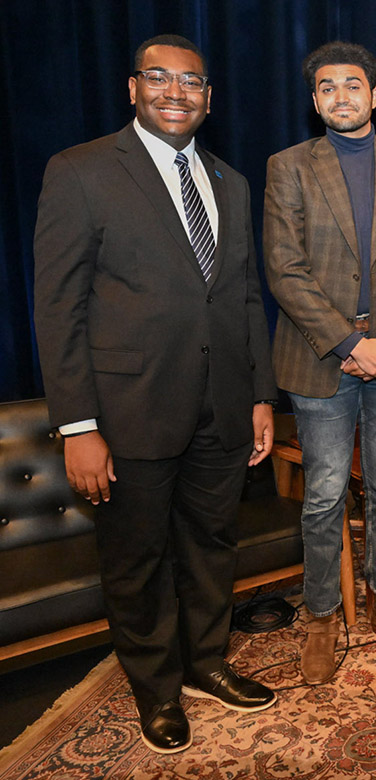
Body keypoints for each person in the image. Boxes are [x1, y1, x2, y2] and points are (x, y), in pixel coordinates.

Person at [33, 34, 278, 753]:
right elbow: (58, 308)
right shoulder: (80, 172)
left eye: (193, 82)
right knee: (137, 558)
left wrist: (260, 395)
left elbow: (241, 299)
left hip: (222, 407)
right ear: (133, 88)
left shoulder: (230, 181)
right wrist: (78, 425)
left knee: (211, 545)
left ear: (209, 98)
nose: (177, 92)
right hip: (127, 410)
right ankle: (157, 688)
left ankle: (207, 663)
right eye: (161, 78)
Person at [264, 41, 376, 684]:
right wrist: (349, 343)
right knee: (322, 493)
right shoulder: (287, 167)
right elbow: (283, 270)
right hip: (320, 360)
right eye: (326, 87)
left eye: (352, 85)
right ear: (314, 100)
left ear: (374, 95)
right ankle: (320, 616)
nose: (340, 95)